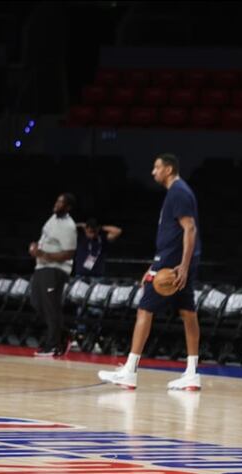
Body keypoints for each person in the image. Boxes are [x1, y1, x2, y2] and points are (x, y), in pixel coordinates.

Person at [98, 154, 202, 390]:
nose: (153, 172)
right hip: (174, 260)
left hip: (172, 263)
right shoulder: (179, 191)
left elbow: (190, 228)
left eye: (156, 167)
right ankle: (192, 372)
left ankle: (130, 370)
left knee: (145, 310)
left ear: (168, 169)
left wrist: (180, 265)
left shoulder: (179, 192)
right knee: (188, 313)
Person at [29, 193, 77, 356]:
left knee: (51, 307)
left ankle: (53, 345)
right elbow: (46, 241)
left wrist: (45, 254)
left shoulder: (69, 226)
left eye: (61, 203)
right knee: (36, 303)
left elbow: (69, 253)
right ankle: (62, 333)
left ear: (68, 207)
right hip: (41, 267)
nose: (57, 204)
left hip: (56, 270)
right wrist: (36, 248)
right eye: (57, 201)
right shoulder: (52, 219)